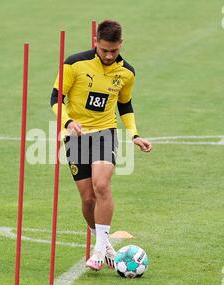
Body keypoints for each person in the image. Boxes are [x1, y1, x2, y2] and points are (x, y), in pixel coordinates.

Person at [50, 20, 152, 271]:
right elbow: (56, 98)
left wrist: (134, 134)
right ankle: (104, 243)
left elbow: (125, 105)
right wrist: (68, 121)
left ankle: (98, 250)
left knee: (102, 185)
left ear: (121, 45)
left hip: (105, 132)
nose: (108, 55)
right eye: (104, 49)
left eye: (114, 51)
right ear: (96, 42)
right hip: (76, 135)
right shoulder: (74, 64)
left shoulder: (127, 72)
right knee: (87, 198)